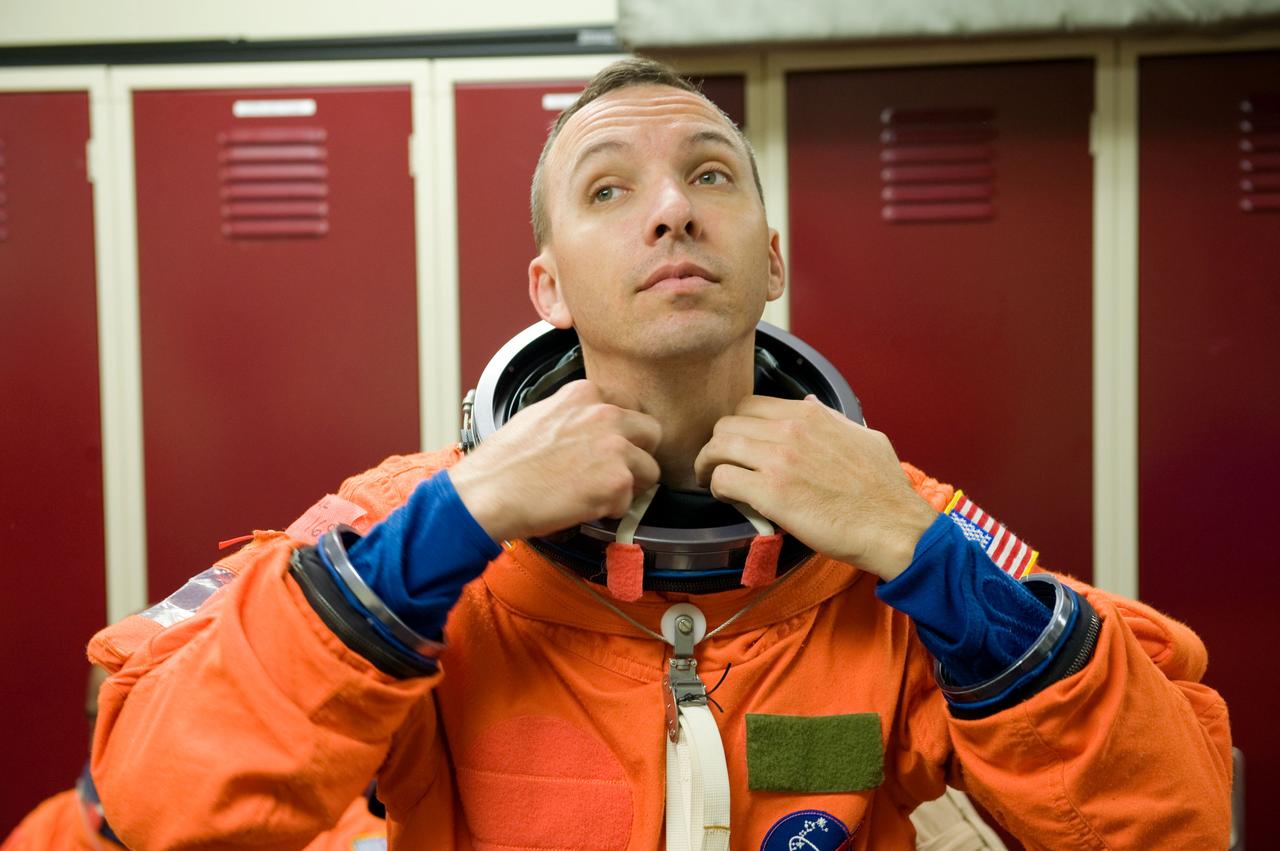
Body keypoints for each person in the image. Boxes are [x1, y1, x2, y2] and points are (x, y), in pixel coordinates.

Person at [88, 57, 1232, 849]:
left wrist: (920, 556)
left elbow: (1174, 815)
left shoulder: (897, 523)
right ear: (549, 286)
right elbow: (147, 796)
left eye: (710, 175)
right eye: (607, 189)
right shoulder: (412, 521)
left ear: (770, 257)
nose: (671, 212)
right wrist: (450, 525)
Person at [5, 668, 387, 851]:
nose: (127, 738)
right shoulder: (46, 835)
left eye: (151, 714)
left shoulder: (324, 827)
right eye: (105, 718)